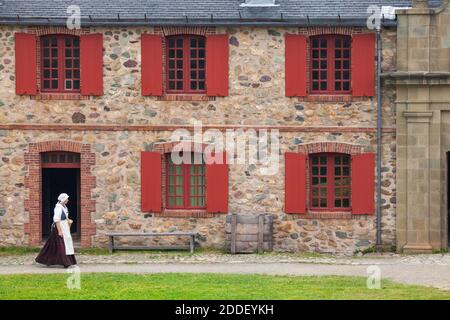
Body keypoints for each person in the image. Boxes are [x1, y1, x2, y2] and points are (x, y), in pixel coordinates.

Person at [35, 193, 77, 268]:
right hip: (59, 228)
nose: (68, 200)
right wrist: (60, 231)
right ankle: (66, 262)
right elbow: (57, 220)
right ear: (63, 200)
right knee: (61, 244)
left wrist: (68, 220)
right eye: (67, 199)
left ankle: (47, 259)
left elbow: (66, 216)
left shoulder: (64, 207)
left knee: (53, 245)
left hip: (64, 227)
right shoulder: (58, 208)